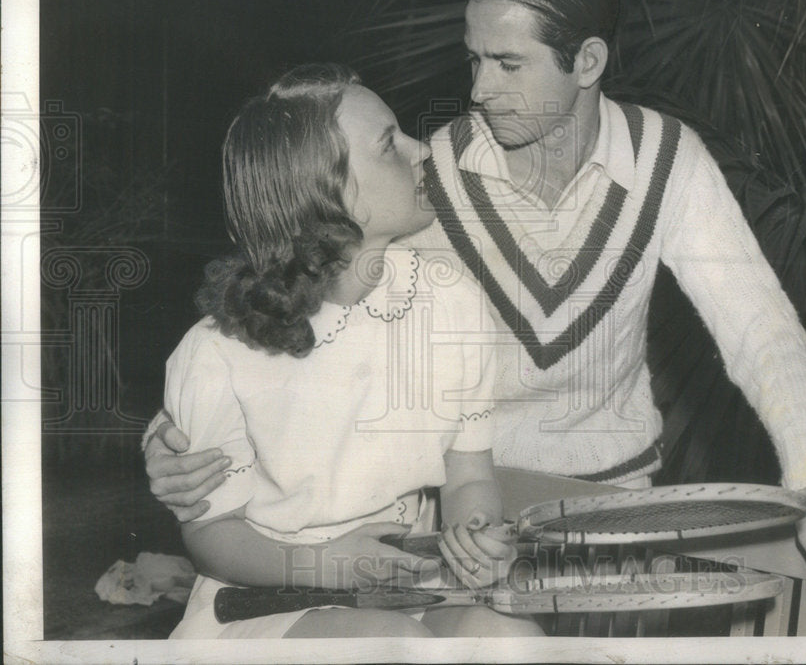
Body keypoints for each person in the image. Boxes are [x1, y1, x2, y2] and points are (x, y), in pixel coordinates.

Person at [146, 0, 806, 593]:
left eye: (509, 65)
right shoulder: (422, 179)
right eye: (474, 59)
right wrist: (182, 432)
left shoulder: (668, 162)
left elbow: (760, 327)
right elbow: (304, 308)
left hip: (616, 507)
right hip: (457, 514)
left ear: (586, 60)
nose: (478, 91)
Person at [159, 63, 542, 638]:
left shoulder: (452, 301)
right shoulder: (217, 350)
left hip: (402, 584)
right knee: (392, 646)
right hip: (263, 598)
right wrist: (326, 565)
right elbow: (212, 538)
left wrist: (474, 537)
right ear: (324, 191)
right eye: (390, 143)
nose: (422, 151)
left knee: (511, 641)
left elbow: (468, 478)